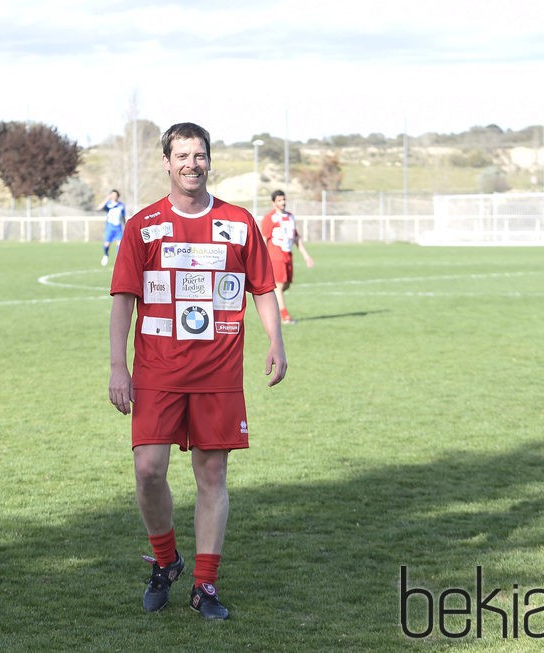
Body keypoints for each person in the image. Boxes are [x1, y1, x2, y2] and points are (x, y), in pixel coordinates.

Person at [109, 122, 287, 620]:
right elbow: (124, 299)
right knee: (148, 471)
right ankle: (165, 562)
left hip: (218, 372)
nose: (192, 164)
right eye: (182, 155)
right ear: (166, 162)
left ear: (210, 161)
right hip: (156, 370)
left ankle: (204, 585)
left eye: (200, 155)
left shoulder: (238, 222)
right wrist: (117, 367)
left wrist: (276, 340)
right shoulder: (143, 226)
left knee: (212, 473)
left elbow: (262, 289)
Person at [259, 190, 314, 324]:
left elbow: (296, 238)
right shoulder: (269, 218)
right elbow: (264, 239)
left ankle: (270, 303)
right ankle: (284, 315)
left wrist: (306, 256)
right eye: (279, 200)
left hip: (288, 255)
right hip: (275, 256)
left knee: (286, 285)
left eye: (283, 200)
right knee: (279, 285)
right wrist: (263, 259)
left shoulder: (290, 217)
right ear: (274, 203)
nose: (282, 202)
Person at [99, 189, 126, 266]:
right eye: (112, 195)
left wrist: (125, 226)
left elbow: (123, 217)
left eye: (115, 195)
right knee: (107, 244)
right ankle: (106, 255)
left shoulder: (121, 205)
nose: (114, 196)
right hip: (109, 228)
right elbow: (99, 207)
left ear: (118, 196)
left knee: (120, 245)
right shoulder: (108, 204)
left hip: (118, 228)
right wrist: (107, 198)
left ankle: (119, 261)